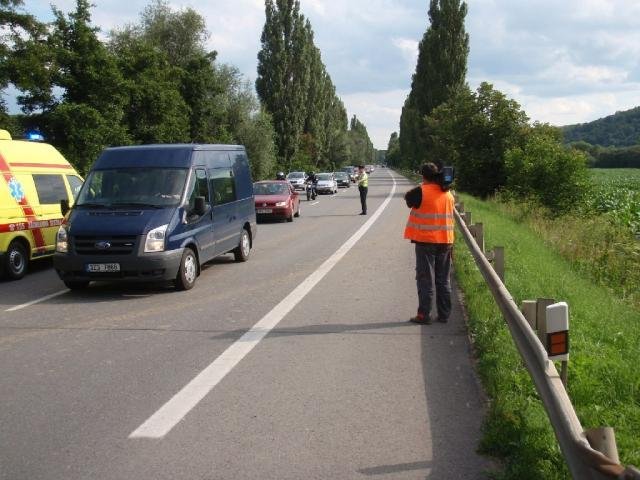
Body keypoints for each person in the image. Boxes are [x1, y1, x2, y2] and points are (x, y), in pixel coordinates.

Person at [404, 163, 455, 324]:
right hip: (445, 241)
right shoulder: (448, 194)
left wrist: (423, 185)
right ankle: (444, 315)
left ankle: (424, 315)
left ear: (423, 176)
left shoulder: (420, 192)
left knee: (425, 279)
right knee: (443, 279)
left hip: (426, 242)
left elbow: (408, 199)